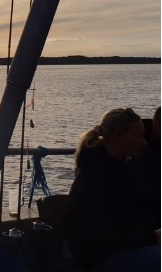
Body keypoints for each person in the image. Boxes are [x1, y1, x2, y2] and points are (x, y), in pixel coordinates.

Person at [65, 108, 159, 271]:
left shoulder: (121, 168)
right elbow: (103, 237)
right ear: (116, 138)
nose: (144, 142)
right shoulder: (93, 177)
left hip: (123, 250)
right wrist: (152, 237)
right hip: (99, 259)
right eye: (138, 136)